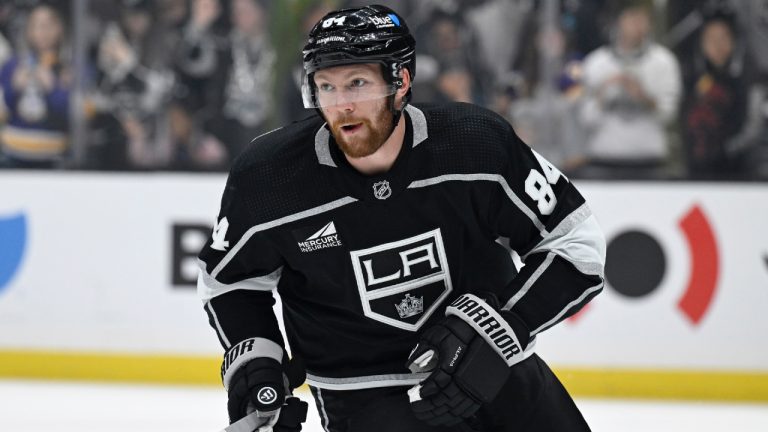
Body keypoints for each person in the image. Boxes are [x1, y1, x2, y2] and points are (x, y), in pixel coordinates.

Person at [198, 4, 606, 432]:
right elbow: (231, 279)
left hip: (501, 373)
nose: (343, 106)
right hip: (363, 393)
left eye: (357, 83)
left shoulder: (476, 144)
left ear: (401, 82)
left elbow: (574, 244)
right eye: (327, 87)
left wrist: (500, 327)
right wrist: (258, 362)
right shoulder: (269, 177)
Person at [578, 0, 682, 179]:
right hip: (603, 160)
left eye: (643, 18)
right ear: (618, 21)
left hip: (650, 161)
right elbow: (586, 119)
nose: (638, 24)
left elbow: (669, 116)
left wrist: (644, 97)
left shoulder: (664, 61)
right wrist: (603, 93)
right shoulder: (596, 62)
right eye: (632, 17)